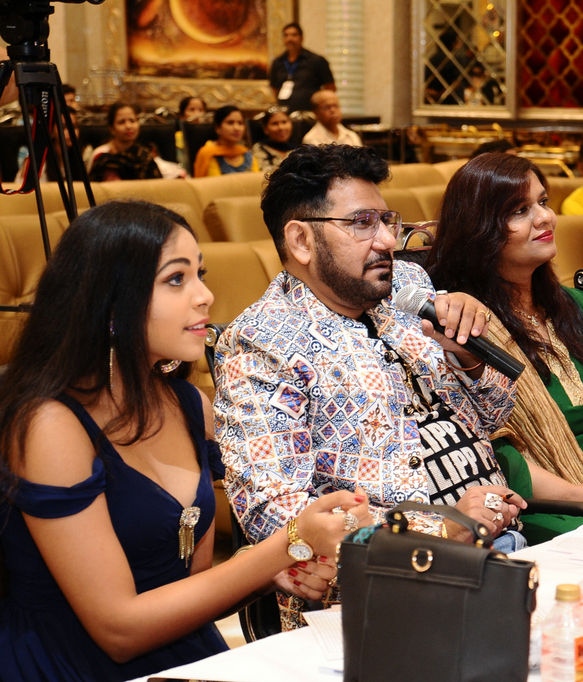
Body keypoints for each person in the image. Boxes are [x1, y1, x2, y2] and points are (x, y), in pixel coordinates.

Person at [0, 201, 362, 681]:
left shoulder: (190, 405)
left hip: (182, 655)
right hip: (68, 664)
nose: (205, 296)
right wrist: (288, 542)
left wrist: (270, 573)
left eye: (200, 274)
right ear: (112, 303)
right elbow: (118, 631)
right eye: (176, 279)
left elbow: (189, 589)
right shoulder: (49, 425)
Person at [214, 144, 526, 630]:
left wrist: (468, 358)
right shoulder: (260, 343)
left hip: (503, 549)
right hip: (387, 593)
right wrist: (444, 527)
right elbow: (275, 513)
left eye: (387, 220)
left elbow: (495, 416)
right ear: (300, 240)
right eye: (362, 223)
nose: (386, 241)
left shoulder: (406, 287)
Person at [428, 153, 583, 543]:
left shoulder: (577, 308)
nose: (545, 217)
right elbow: (494, 452)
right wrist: (582, 496)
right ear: (479, 230)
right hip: (542, 513)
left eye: (544, 202)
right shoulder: (461, 325)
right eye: (520, 210)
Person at [269, 23, 335, 112]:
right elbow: (274, 88)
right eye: (286, 35)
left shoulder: (316, 60)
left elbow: (330, 87)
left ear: (301, 38)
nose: (290, 39)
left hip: (309, 113)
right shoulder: (277, 62)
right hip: (284, 112)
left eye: (294, 35)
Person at [87, 103, 162, 182]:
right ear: (111, 128)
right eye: (121, 122)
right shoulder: (102, 155)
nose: (128, 126)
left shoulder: (144, 154)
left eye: (132, 121)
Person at [191, 106, 259, 178]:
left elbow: (256, 181)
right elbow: (216, 183)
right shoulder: (209, 154)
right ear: (218, 128)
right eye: (230, 123)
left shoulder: (247, 154)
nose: (236, 128)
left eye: (240, 123)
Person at [251, 108, 296, 173]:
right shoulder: (259, 149)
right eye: (275, 123)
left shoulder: (297, 150)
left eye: (284, 122)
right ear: (265, 129)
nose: (281, 127)